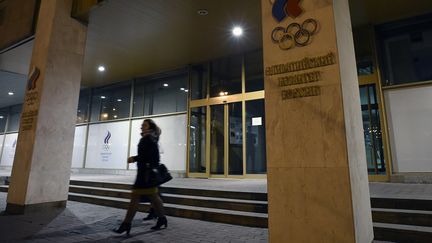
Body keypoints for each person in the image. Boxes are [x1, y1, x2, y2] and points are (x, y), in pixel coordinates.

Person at [114, 119, 167, 235]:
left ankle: (126, 224)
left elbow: (149, 157)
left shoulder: (149, 139)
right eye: (142, 125)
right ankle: (162, 219)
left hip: (145, 175)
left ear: (149, 127)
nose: (142, 126)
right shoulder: (149, 138)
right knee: (153, 197)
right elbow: (149, 156)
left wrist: (134, 158)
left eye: (144, 125)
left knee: (136, 197)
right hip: (145, 173)